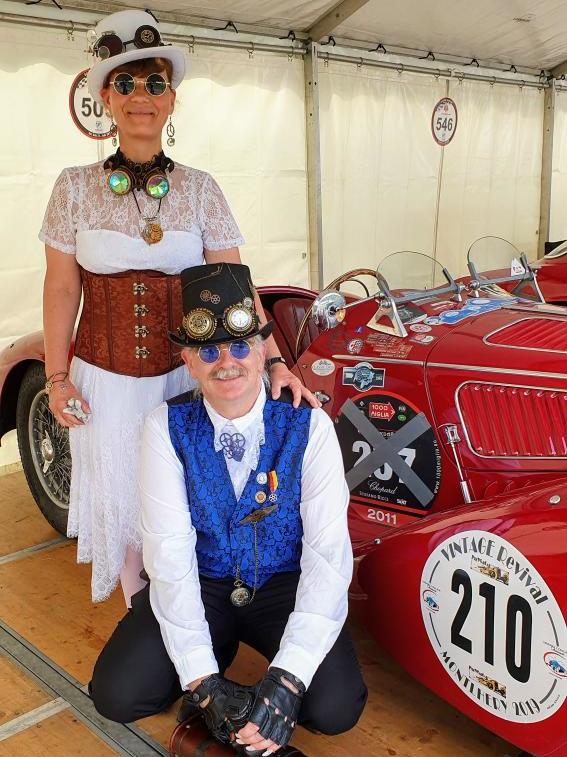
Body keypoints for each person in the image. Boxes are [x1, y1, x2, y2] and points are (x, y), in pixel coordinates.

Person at [40, 9, 317, 606]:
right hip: (104, 383)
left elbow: (236, 286)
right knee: (127, 509)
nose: (141, 96)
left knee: (189, 502)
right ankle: (144, 618)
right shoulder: (73, 188)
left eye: (155, 83)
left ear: (171, 100)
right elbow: (61, 289)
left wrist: (274, 361)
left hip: (188, 379)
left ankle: (194, 615)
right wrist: (56, 378)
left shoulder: (201, 188)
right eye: (126, 83)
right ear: (106, 99)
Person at [89, 263, 367, 754]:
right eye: (208, 350)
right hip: (204, 583)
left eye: (239, 346)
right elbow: (169, 555)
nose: (226, 362)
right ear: (188, 361)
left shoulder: (310, 426)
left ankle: (243, 693)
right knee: (117, 694)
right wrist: (204, 684)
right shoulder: (164, 426)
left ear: (261, 351)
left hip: (282, 583)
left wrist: (286, 680)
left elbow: (328, 556)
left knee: (335, 708)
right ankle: (218, 668)